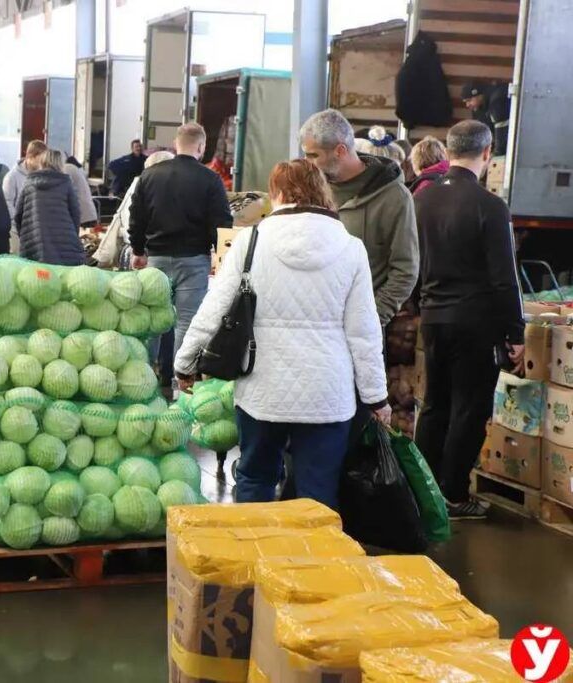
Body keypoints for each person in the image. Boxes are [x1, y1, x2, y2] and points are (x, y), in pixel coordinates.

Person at [175, 159, 391, 508]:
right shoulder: (351, 248)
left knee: (255, 478)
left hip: (262, 390)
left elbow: (213, 308)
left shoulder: (250, 242)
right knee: (318, 491)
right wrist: (376, 397)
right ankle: (310, 544)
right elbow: (364, 332)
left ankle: (254, 543)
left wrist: (185, 363)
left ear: (276, 193)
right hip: (327, 394)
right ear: (322, 191)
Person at [414, 120, 525, 520]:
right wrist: (516, 332)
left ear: (447, 151)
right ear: (487, 152)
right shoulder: (490, 206)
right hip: (475, 322)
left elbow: (412, 263)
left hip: (433, 318)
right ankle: (453, 495)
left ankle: (422, 491)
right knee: (469, 408)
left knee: (434, 405)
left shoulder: (421, 200)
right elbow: (504, 278)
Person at [300, 109, 419, 327]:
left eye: (313, 155)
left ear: (340, 150)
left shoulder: (394, 197)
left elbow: (405, 270)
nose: (307, 163)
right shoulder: (311, 191)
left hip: (361, 331)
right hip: (311, 327)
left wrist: (370, 320)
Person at [128, 123, 232, 357]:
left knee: (152, 320)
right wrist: (221, 258)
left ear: (176, 144)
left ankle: (146, 370)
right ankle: (180, 376)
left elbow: (137, 217)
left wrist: (138, 250)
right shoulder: (210, 179)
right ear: (201, 147)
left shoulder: (149, 175)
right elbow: (221, 224)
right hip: (194, 260)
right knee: (186, 323)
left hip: (156, 260)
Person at [93, 151, 174, 268]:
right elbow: (137, 222)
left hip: (134, 250)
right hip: (144, 254)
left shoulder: (140, 184)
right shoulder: (152, 188)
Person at [14, 149, 84, 265]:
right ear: (60, 163)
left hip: (34, 242)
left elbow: (18, 214)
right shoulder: (66, 183)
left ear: (42, 161)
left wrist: (25, 236)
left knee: (37, 274)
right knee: (62, 274)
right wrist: (73, 236)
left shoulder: (29, 183)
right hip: (64, 241)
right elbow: (75, 213)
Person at [462, 81, 511, 156]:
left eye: (469, 100)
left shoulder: (497, 100)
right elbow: (481, 131)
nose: (467, 105)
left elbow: (502, 133)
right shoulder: (479, 106)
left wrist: (497, 154)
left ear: (479, 95)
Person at [3, 140, 47, 219]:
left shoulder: (43, 175)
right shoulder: (12, 177)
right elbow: (7, 202)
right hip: (20, 223)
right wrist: (19, 220)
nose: (42, 164)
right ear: (30, 156)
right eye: (39, 160)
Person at [64, 158, 98, 226]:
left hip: (82, 216)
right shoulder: (79, 171)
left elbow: (64, 189)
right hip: (89, 214)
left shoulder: (67, 169)